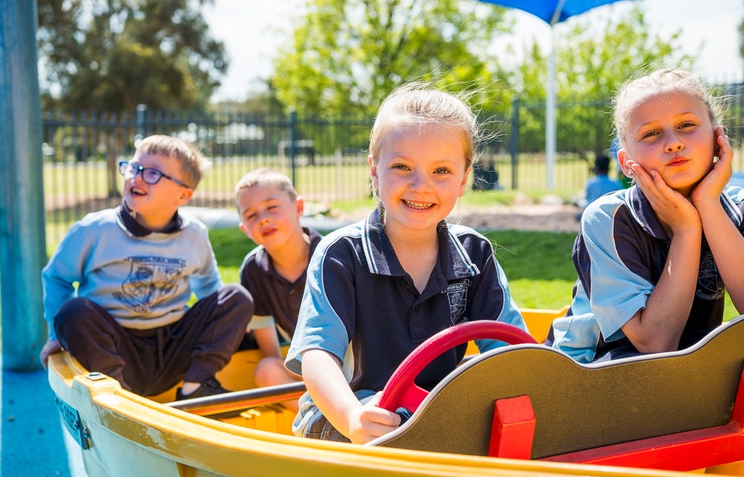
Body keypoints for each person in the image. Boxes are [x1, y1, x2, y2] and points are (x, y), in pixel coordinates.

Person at [284, 83, 527, 444]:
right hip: (345, 416)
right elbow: (318, 356)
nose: (420, 186)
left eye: (441, 171)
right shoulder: (342, 254)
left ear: (463, 179)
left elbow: (510, 351)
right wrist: (353, 418)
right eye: (401, 166)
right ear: (374, 170)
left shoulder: (474, 254)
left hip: (433, 417)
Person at [550, 69, 744, 363]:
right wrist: (687, 230)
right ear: (627, 163)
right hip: (592, 369)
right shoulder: (608, 218)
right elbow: (655, 344)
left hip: (688, 370)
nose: (673, 143)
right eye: (651, 133)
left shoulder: (737, 206)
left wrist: (708, 204)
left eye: (687, 124)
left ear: (719, 139)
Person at [40, 135, 254, 400]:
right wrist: (54, 333)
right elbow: (56, 277)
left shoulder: (194, 234)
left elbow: (210, 288)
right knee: (73, 312)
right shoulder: (94, 230)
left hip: (173, 344)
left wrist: (229, 323)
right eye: (133, 167)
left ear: (183, 194)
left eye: (152, 173)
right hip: (114, 346)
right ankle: (120, 398)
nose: (137, 177)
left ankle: (196, 386)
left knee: (237, 298)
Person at [235, 168, 320, 405]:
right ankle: (322, 421)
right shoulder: (254, 269)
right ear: (245, 229)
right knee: (266, 370)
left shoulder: (332, 255)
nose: (263, 218)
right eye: (251, 216)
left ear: (299, 208)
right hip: (306, 368)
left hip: (353, 363)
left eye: (272, 207)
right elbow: (272, 351)